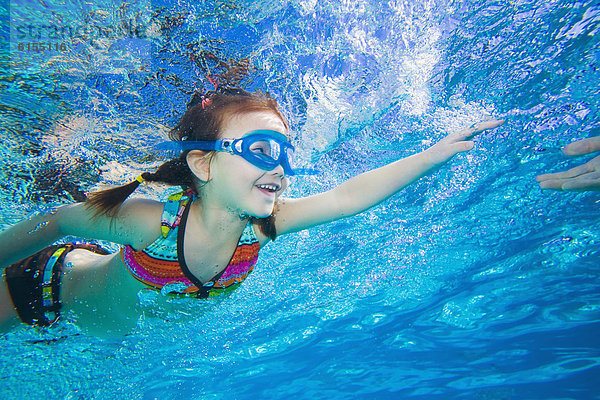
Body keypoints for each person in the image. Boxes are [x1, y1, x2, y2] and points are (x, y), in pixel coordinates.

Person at [0, 88, 504, 336]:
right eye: (263, 149)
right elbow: (61, 220)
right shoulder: (153, 222)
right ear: (203, 162)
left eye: (286, 152)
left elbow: (347, 198)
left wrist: (432, 154)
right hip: (42, 289)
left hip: (91, 333)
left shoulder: (260, 230)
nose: (281, 167)